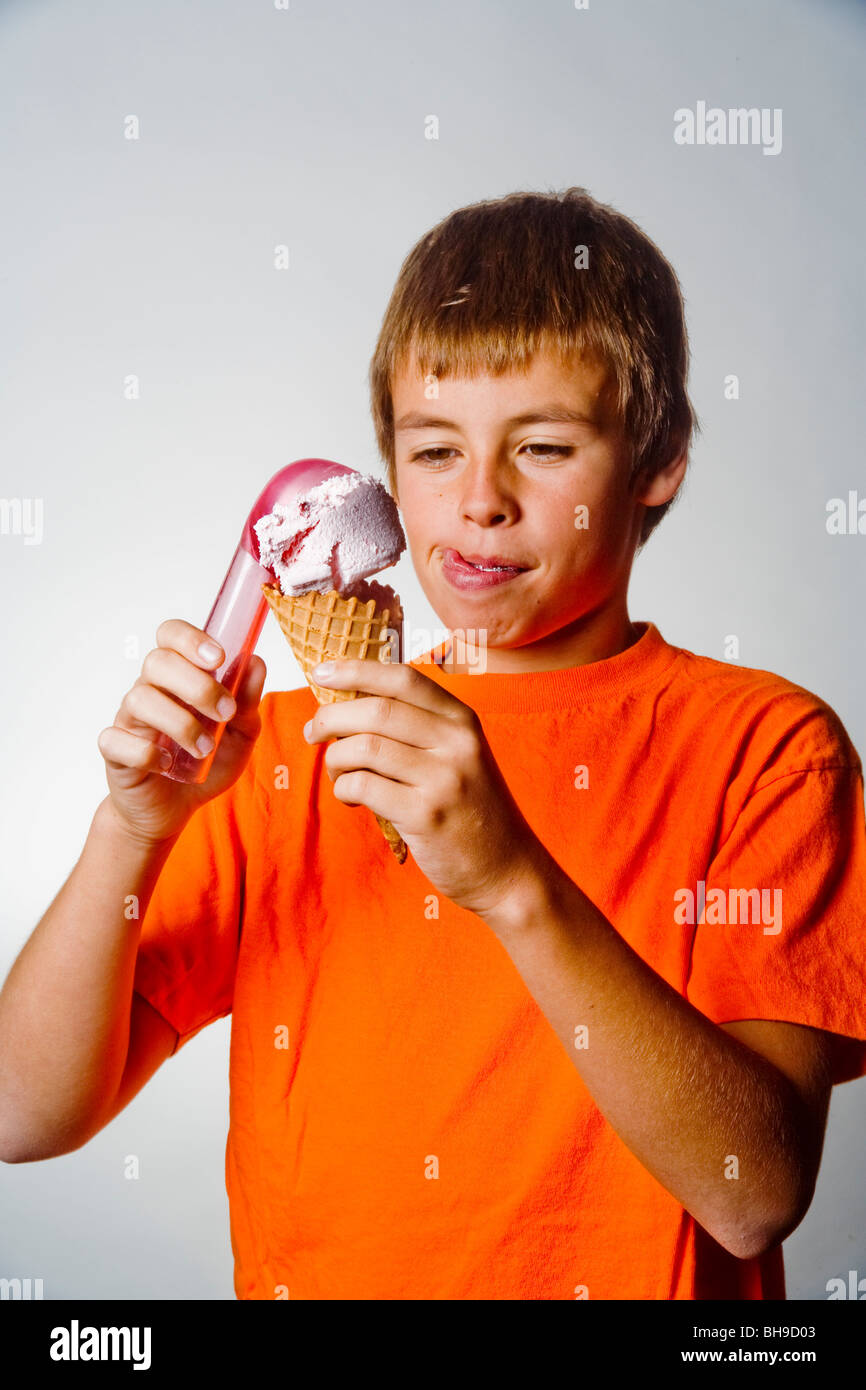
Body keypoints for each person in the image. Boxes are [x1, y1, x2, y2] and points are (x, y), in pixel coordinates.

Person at [2, 187, 864, 1301]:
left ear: (655, 464)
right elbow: (21, 1115)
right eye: (433, 448)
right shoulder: (287, 746)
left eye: (543, 447)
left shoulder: (767, 749)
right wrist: (130, 829)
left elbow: (752, 1191)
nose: (479, 501)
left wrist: (507, 878)